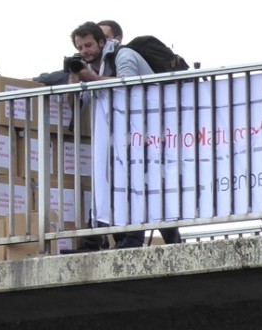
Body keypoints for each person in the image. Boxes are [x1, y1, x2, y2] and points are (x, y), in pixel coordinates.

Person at [69, 22, 181, 248]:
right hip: (118, 138)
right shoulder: (92, 69)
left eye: (88, 45)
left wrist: (88, 79)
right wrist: (73, 83)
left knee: (140, 187)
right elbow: (83, 106)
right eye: (80, 48)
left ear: (102, 42)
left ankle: (133, 239)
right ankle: (102, 240)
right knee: (112, 185)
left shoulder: (124, 55)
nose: (84, 52)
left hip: (146, 133)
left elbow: (128, 86)